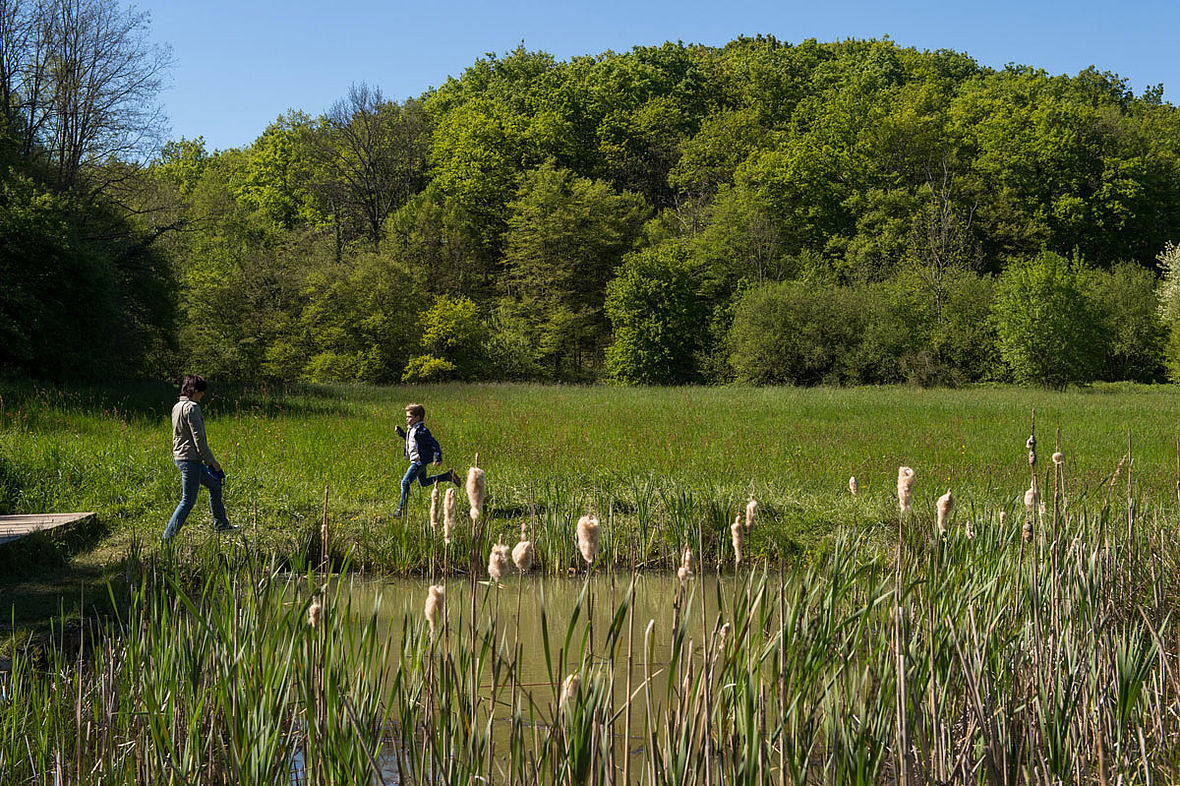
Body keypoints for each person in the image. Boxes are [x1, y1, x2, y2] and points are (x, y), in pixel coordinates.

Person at [162, 374, 237, 540]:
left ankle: (222, 525)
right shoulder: (192, 407)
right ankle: (167, 538)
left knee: (215, 486)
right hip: (191, 460)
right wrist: (212, 462)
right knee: (187, 501)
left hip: (181, 457)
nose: (202, 395)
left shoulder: (177, 406)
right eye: (201, 392)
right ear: (194, 390)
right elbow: (199, 440)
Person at [394, 403, 460, 517]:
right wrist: (401, 433)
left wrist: (438, 457)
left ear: (417, 417)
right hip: (417, 460)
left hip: (419, 462)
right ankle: (447, 476)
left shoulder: (422, 430)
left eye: (409, 416)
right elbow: (411, 440)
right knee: (423, 482)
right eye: (407, 417)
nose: (407, 419)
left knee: (405, 483)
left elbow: (434, 443)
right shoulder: (412, 429)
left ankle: (401, 510)